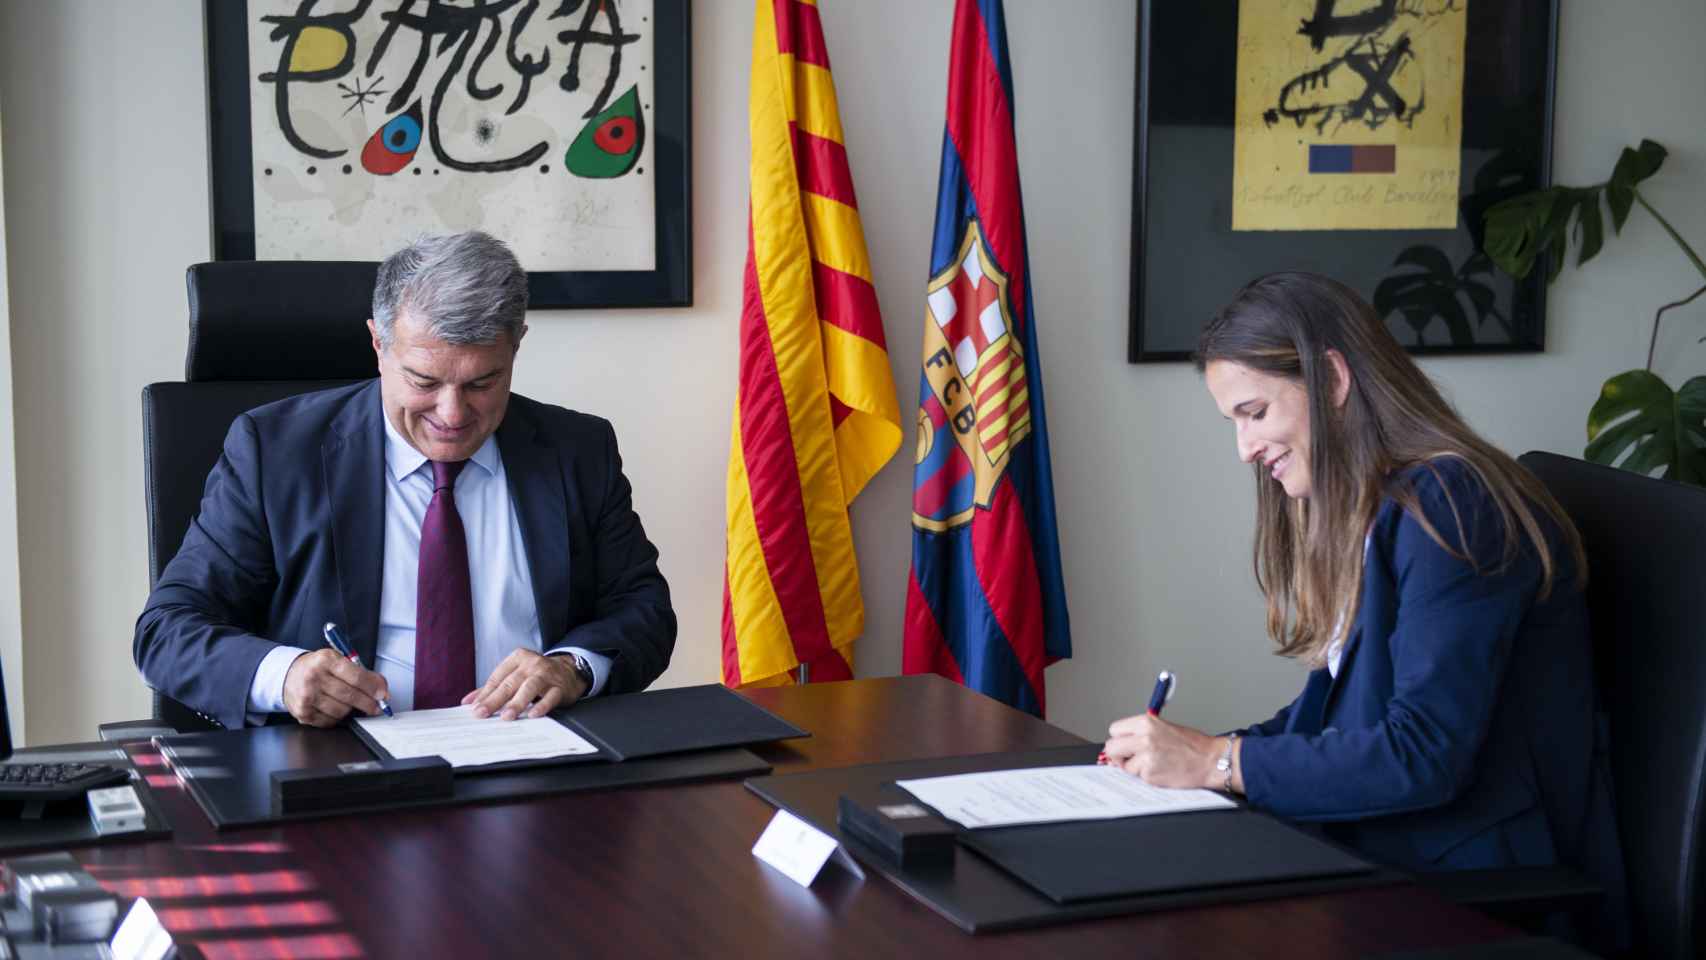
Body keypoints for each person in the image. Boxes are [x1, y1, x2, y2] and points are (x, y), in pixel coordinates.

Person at [1103, 272, 1625, 941]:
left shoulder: (1454, 506)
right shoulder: (1378, 505)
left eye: (1254, 413)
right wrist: (1192, 764)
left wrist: (1218, 762)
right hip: (1386, 849)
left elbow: (1422, 754)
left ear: (1333, 381)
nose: (1244, 449)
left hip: (1467, 884)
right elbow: (1333, 712)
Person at [134, 231, 675, 730]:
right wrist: (286, 674)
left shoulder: (576, 449)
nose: (453, 413)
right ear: (377, 343)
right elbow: (166, 631)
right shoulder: (274, 452)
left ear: (518, 344)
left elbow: (643, 609)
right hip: (343, 768)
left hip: (530, 753)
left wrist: (573, 667)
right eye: (425, 380)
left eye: (483, 382)